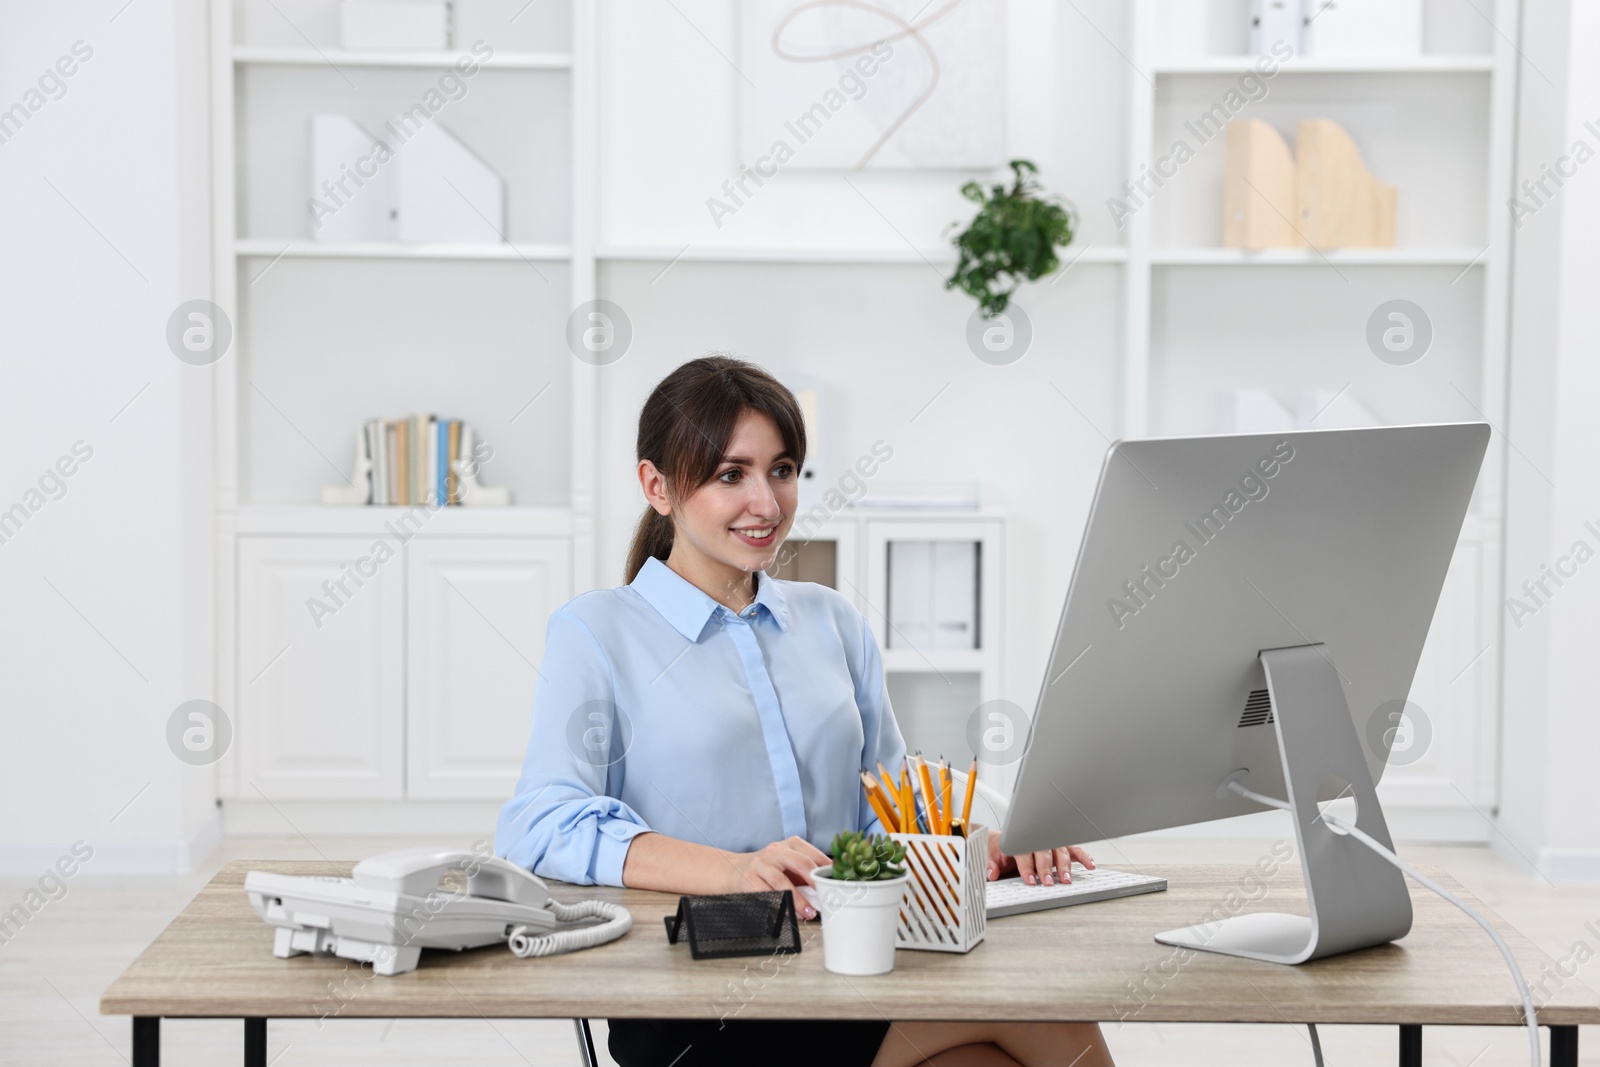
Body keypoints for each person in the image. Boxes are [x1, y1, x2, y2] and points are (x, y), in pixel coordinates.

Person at [497, 355, 1114, 1067]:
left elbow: (888, 808)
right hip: (703, 995)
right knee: (1043, 1013)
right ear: (657, 486)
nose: (766, 502)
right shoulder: (596, 631)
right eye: (732, 474)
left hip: (852, 965)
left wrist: (984, 845)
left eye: (782, 470)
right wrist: (733, 871)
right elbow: (538, 821)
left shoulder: (833, 621)